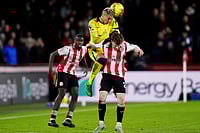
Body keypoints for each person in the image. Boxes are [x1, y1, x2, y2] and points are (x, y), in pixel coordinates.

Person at [87, 31, 144, 133]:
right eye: (116, 44)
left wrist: (139, 50)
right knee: (102, 98)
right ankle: (101, 123)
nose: (118, 46)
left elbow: (134, 46)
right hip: (107, 75)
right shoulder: (104, 45)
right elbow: (94, 46)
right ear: (111, 41)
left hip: (119, 76)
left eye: (120, 44)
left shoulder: (125, 45)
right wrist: (90, 46)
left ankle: (119, 125)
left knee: (121, 101)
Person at [48, 34, 88, 128]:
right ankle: (52, 119)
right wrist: (50, 69)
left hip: (72, 73)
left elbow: (82, 57)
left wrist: (86, 66)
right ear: (74, 41)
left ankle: (68, 119)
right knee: (62, 93)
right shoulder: (67, 49)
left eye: (81, 41)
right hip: (62, 72)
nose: (80, 43)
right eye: (78, 41)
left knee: (75, 94)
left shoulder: (83, 49)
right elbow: (52, 54)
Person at [85, 7, 120, 97]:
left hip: (106, 48)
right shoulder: (92, 23)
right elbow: (96, 40)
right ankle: (92, 83)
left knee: (115, 64)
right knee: (103, 61)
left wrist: (115, 36)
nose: (110, 21)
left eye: (111, 19)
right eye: (108, 18)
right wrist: (108, 37)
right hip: (94, 48)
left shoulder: (112, 21)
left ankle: (93, 83)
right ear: (103, 15)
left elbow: (116, 34)